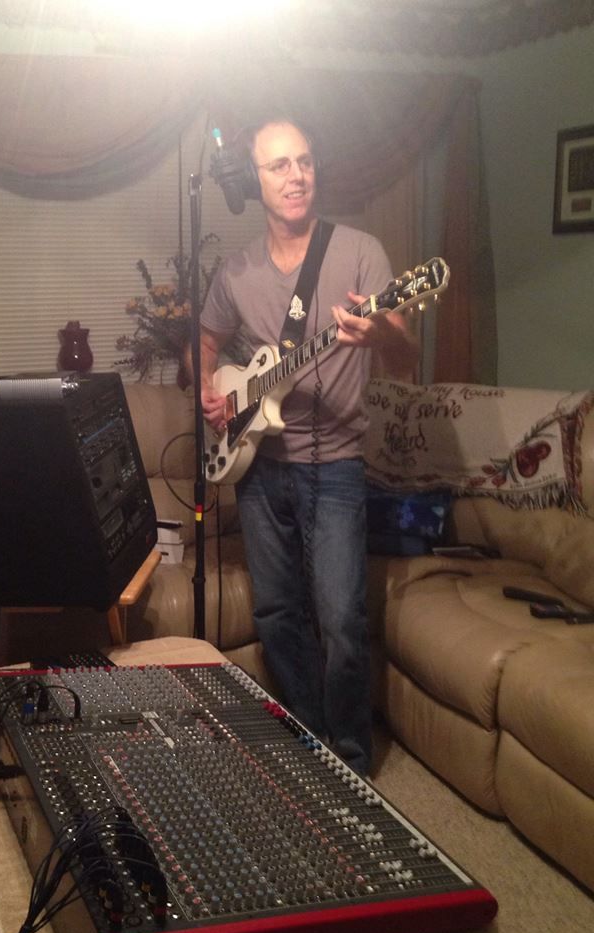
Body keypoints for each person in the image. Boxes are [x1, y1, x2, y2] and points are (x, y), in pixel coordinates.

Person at [197, 119, 419, 775]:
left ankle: (349, 761)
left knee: (343, 621)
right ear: (256, 181)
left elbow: (406, 357)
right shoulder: (237, 271)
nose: (296, 176)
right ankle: (310, 740)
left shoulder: (359, 251)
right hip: (258, 465)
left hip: (337, 464)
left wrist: (380, 333)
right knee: (275, 614)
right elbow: (204, 340)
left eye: (305, 162)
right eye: (279, 166)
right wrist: (210, 389)